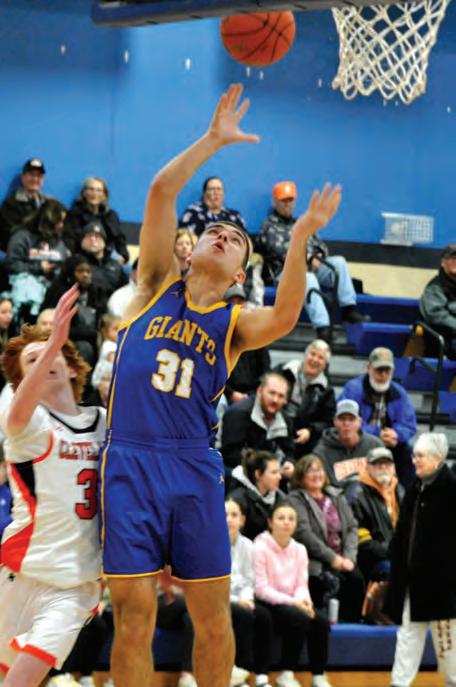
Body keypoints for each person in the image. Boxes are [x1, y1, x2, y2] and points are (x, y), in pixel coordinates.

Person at [99, 83, 342, 687]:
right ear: (192, 250)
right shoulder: (155, 283)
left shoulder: (234, 324)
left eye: (236, 239)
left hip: (191, 467)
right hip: (129, 460)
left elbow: (286, 315)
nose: (224, 234)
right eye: (215, 230)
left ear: (239, 274)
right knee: (133, 617)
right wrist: (212, 140)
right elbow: (161, 191)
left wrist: (301, 238)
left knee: (213, 620)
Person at [0, 286, 106, 686]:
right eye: (31, 361)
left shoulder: (105, 421)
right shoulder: (28, 422)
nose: (44, 360)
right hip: (19, 571)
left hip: (76, 583)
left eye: (51, 354)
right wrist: (53, 342)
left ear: (73, 368)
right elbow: (16, 416)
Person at [256, 181, 368, 341]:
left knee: (339, 262)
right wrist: (308, 259)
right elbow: (280, 252)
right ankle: (323, 328)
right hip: (285, 274)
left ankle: (349, 309)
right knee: (307, 278)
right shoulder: (268, 226)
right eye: (283, 200)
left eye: (290, 200)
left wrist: (318, 257)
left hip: (312, 266)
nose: (287, 204)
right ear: (275, 202)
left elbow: (321, 246)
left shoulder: (301, 223)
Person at [385, 433, 456, 687]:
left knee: (446, 642)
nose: (414, 460)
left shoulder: (452, 490)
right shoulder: (414, 488)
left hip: (442, 584)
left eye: (420, 456)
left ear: (437, 459)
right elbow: (403, 532)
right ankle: (399, 683)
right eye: (414, 455)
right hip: (411, 580)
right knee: (407, 635)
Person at [254, 501, 332, 687]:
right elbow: (261, 588)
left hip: (293, 602)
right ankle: (287, 673)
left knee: (321, 620)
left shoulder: (300, 549)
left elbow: (301, 584)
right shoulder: (259, 546)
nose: (286, 522)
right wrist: (294, 603)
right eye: (281, 518)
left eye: (291, 519)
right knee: (298, 617)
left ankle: (318, 675)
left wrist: (305, 602)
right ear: (270, 522)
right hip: (267, 602)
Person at [288, 454, 365, 622]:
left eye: (319, 470)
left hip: (343, 558)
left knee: (357, 579)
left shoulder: (336, 496)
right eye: (311, 471)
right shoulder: (296, 499)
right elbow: (303, 533)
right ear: (301, 476)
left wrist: (349, 557)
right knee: (335, 582)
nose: (317, 475)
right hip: (315, 559)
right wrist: (332, 558)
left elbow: (352, 527)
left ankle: (352, 628)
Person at [338, 346, 416, 487]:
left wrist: (396, 434)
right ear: (369, 369)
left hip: (390, 444)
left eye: (387, 370)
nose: (383, 375)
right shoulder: (353, 389)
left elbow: (409, 424)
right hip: (359, 441)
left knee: (408, 453)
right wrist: (377, 434)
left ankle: (406, 494)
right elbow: (345, 421)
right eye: (379, 370)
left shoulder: (399, 393)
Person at [225, 497, 273, 687]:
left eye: (234, 515)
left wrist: (245, 598)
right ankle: (238, 675)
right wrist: (237, 600)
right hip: (217, 600)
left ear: (242, 520)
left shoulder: (248, 545)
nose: (229, 519)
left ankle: (262, 675)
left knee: (264, 616)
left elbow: (250, 579)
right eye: (224, 515)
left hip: (242, 598)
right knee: (242, 614)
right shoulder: (208, 545)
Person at [6, 199, 69, 324]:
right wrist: (39, 267)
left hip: (52, 292)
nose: (61, 225)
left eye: (63, 221)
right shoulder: (22, 237)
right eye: (58, 221)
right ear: (48, 220)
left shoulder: (59, 243)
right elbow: (11, 265)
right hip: (25, 292)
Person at [221, 372, 295, 478]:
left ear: (286, 400)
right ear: (260, 391)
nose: (275, 400)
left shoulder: (286, 421)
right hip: (237, 472)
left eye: (281, 396)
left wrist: (289, 463)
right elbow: (230, 455)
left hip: (271, 475)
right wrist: (262, 467)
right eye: (272, 393)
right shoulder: (238, 413)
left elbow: (289, 452)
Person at [42, 255, 107, 367]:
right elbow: (55, 328)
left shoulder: (96, 292)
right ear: (70, 274)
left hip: (91, 340)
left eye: (88, 271)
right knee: (84, 347)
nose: (85, 275)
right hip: (65, 341)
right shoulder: (59, 292)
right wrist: (90, 333)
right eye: (80, 271)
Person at [350, 446, 404, 584]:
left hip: (397, 553)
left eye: (387, 464)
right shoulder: (356, 494)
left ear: (394, 468)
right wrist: (392, 553)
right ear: (367, 467)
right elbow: (361, 540)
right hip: (371, 560)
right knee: (394, 570)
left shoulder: (399, 490)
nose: (383, 467)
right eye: (378, 464)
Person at [313, 399, 384, 501]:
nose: (346, 423)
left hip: (371, 500)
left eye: (351, 419)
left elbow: (388, 476)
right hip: (335, 502)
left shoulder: (375, 446)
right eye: (342, 419)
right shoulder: (321, 452)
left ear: (360, 422)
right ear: (334, 421)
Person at [275, 339, 336, 457]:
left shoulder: (326, 390)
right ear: (305, 355)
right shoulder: (283, 371)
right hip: (274, 423)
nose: (315, 360)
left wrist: (310, 431)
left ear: (325, 364)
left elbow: (328, 421)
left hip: (302, 437)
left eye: (320, 358)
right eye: (312, 354)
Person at [63, 176, 129, 264]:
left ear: (104, 195)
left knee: (127, 269)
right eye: (91, 189)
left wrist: (123, 255)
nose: (94, 193)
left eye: (99, 190)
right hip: (81, 255)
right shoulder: (74, 213)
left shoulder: (110, 215)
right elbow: (69, 238)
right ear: (84, 193)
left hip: (107, 256)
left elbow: (119, 237)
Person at [224, 284, 270, 405]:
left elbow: (265, 370)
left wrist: (253, 395)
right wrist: (230, 394)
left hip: (255, 395)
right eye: (232, 302)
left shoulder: (257, 335)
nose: (237, 306)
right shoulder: (217, 334)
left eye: (240, 302)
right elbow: (213, 373)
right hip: (225, 394)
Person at [228, 449, 286, 541]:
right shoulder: (238, 499)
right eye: (274, 472)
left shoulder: (280, 498)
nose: (279, 477)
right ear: (258, 474)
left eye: (279, 472)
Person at [0, 159, 48, 253]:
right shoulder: (11, 203)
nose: (35, 179)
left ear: (43, 179)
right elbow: (10, 233)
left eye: (39, 176)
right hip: (20, 253)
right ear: (23, 177)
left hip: (46, 252)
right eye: (31, 174)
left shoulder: (49, 203)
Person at [419, 243, 456, 359]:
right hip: (445, 340)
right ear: (443, 262)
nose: (455, 262)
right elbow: (436, 316)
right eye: (452, 258)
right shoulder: (435, 288)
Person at [179, 175, 247, 237]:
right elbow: (185, 239)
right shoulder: (193, 213)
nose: (216, 192)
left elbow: (246, 241)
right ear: (204, 193)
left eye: (219, 189)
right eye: (212, 189)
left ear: (224, 193)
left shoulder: (235, 216)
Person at [77, 221, 128, 297]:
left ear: (104, 241)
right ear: (82, 242)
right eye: (89, 236)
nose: (93, 239)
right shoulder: (75, 264)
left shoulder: (116, 266)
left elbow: (126, 291)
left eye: (97, 236)